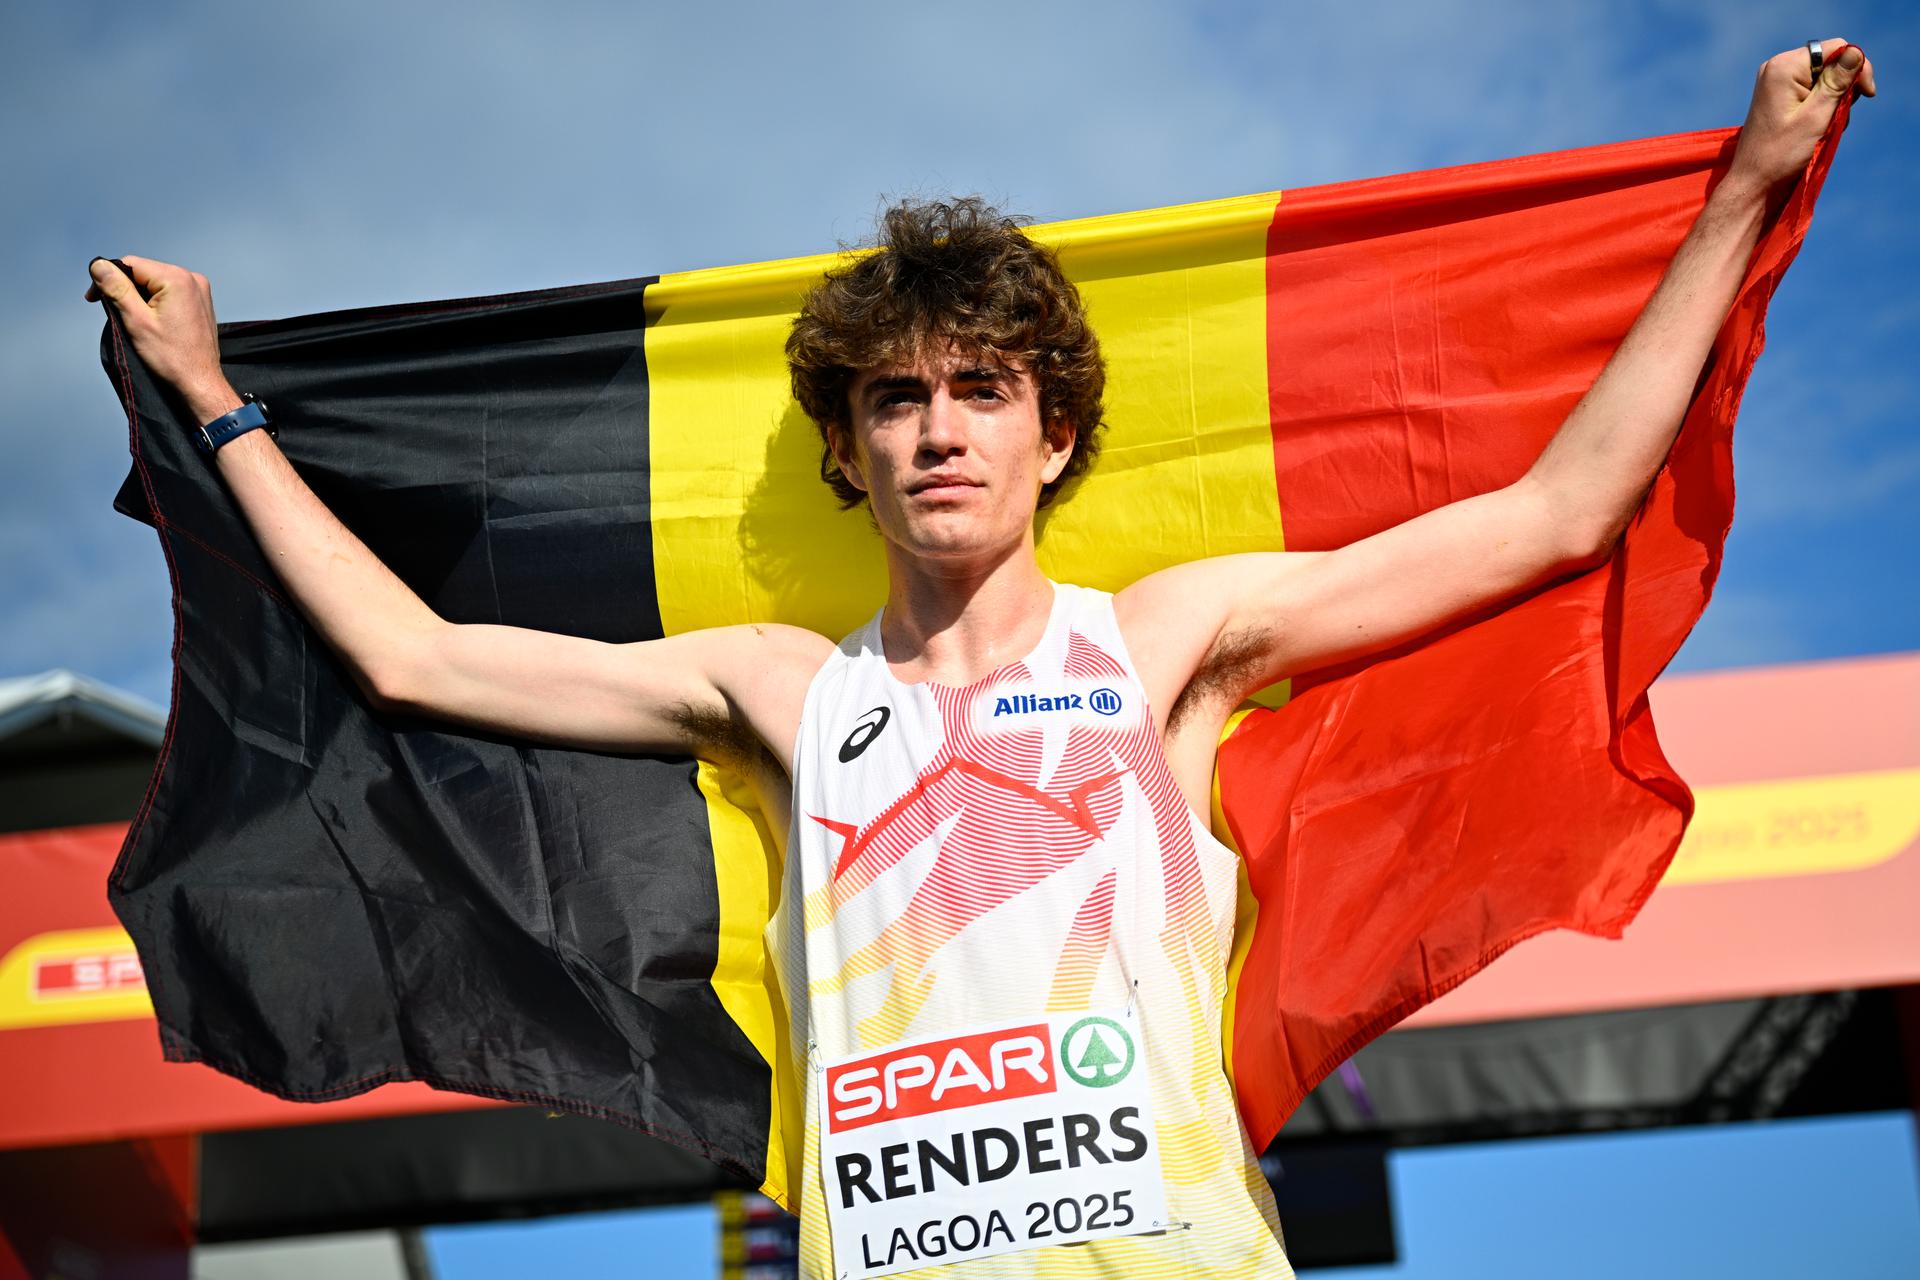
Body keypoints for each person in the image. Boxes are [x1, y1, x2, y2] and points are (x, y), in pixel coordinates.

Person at [86, 40, 1874, 1279]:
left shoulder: (1168, 641)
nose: (939, 431)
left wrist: (1741, 192)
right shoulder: (784, 692)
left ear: (1054, 439)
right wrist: (217, 403)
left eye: (981, 392)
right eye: (896, 398)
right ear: (850, 449)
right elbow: (408, 658)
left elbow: (1559, 514)